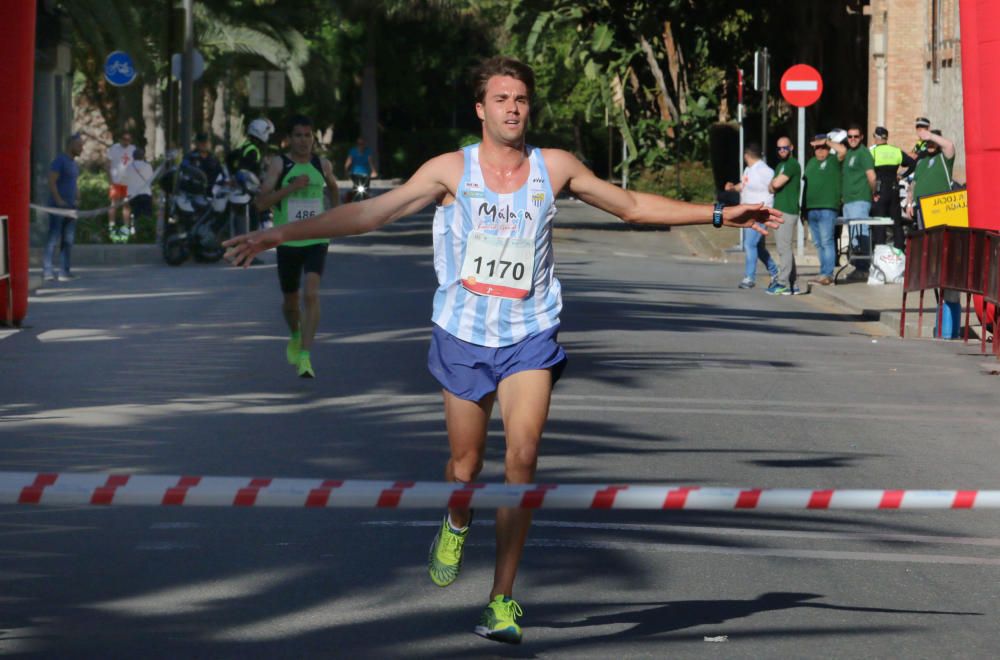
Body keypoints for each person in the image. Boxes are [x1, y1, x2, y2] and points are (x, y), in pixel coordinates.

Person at [224, 56, 779, 644]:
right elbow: (370, 213)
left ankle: (502, 599)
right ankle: (457, 516)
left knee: (523, 456)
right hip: (463, 335)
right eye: (503, 98)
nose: (514, 108)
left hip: (530, 334)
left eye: (522, 99)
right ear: (481, 108)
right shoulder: (449, 170)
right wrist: (280, 232)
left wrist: (721, 214)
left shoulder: (555, 167)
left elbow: (632, 205)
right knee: (465, 466)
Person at [253, 114, 340, 378]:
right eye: (298, 136)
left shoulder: (321, 163)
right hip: (288, 240)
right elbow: (261, 203)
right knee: (290, 302)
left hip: (317, 237)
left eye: (308, 135)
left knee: (311, 294)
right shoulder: (280, 164)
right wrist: (290, 189)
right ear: (288, 139)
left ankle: (305, 356)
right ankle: (294, 334)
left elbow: (334, 189)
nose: (304, 141)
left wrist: (336, 217)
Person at [725, 143, 777, 289]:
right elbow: (744, 185)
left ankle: (749, 278)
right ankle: (775, 272)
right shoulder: (749, 169)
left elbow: (774, 187)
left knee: (749, 244)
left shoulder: (764, 170)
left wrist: (766, 210)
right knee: (758, 247)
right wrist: (733, 188)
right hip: (748, 212)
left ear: (746, 155)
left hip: (759, 213)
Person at [803, 134, 845, 286]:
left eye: (823, 148)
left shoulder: (834, 161)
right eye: (817, 148)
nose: (820, 151)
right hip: (811, 208)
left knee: (827, 241)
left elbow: (843, 151)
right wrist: (803, 210)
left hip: (828, 208)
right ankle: (823, 273)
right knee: (818, 243)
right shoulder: (811, 163)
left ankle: (828, 274)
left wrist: (827, 141)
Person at [43, 134, 83, 282]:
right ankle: (48, 270)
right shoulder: (60, 160)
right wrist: (58, 200)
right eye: (79, 145)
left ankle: (64, 271)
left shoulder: (74, 164)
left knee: (68, 239)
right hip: (58, 207)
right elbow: (52, 181)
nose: (82, 148)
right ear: (71, 145)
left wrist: (78, 197)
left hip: (71, 207)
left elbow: (74, 182)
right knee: (53, 238)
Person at [869, 126, 915, 250]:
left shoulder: (872, 152)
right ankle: (899, 251)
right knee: (896, 222)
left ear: (875, 138)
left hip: (880, 190)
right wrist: (902, 175)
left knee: (879, 223)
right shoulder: (896, 151)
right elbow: (912, 164)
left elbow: (868, 174)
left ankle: (880, 253)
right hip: (894, 189)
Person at [840, 123, 876, 277]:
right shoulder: (848, 153)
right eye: (850, 136)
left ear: (861, 137)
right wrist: (827, 142)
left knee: (862, 233)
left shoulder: (864, 153)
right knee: (854, 236)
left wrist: (873, 193)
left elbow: (872, 176)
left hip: (860, 199)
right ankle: (859, 268)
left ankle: (865, 268)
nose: (853, 139)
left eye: (856, 136)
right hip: (848, 201)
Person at [767, 136, 801, 295]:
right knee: (783, 248)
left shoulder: (793, 164)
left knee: (784, 249)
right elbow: (771, 187)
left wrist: (774, 184)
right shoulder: (780, 165)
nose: (782, 151)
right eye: (779, 148)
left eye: (785, 148)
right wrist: (773, 184)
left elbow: (775, 184)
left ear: (791, 148)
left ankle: (783, 283)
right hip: (779, 210)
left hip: (787, 211)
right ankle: (793, 283)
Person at [905, 128, 957, 227]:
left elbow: (949, 145)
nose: (930, 144)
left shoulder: (944, 157)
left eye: (933, 142)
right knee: (925, 239)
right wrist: (909, 204)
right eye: (928, 142)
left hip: (940, 207)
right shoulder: (922, 161)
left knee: (938, 240)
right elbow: (913, 184)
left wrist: (931, 136)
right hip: (921, 207)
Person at [107, 130, 135, 235]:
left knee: (126, 205)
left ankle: (126, 227)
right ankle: (111, 227)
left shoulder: (133, 149)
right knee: (113, 204)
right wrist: (110, 180)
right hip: (116, 181)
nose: (126, 141)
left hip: (128, 182)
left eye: (128, 139)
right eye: (124, 139)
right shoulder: (114, 148)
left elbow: (136, 165)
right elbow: (108, 164)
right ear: (120, 139)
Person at [123, 146, 155, 226]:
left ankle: (136, 233)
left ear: (133, 157)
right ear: (143, 156)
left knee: (136, 215)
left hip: (132, 195)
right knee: (147, 215)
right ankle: (147, 232)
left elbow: (125, 181)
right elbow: (151, 180)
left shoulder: (128, 167)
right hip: (146, 193)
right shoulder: (148, 166)